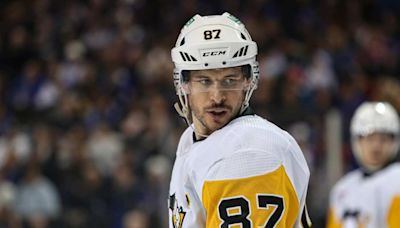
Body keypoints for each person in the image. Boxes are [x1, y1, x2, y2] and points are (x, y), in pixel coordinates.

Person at [168, 12, 311, 228]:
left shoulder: (249, 151)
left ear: (247, 81)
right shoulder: (192, 140)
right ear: (184, 84)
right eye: (205, 81)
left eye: (229, 80)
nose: (217, 96)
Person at [327, 101, 400, 228]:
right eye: (369, 139)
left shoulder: (396, 181)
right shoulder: (342, 189)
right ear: (357, 140)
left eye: (383, 139)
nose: (376, 147)